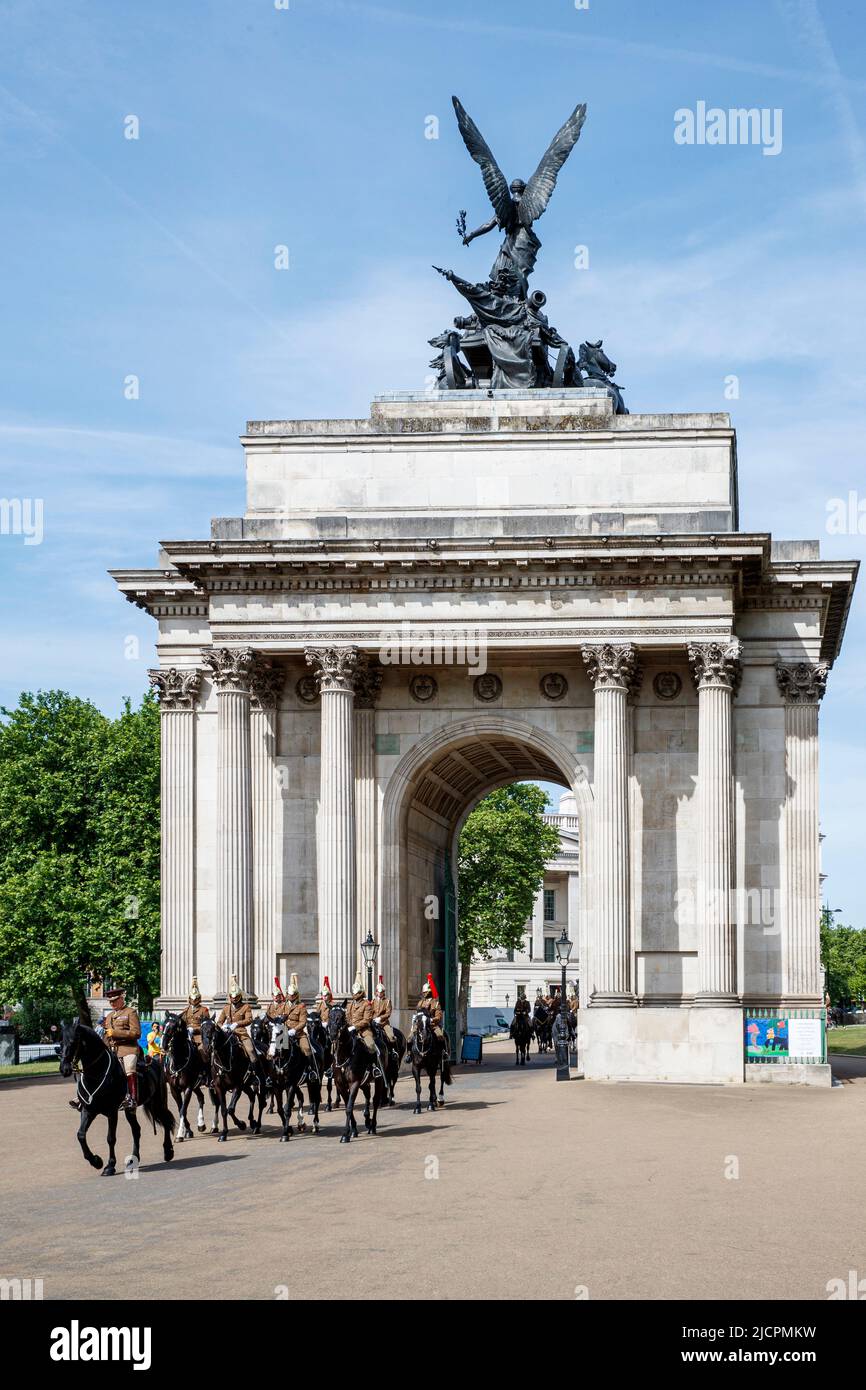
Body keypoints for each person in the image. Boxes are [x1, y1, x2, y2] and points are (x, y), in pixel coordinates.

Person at [103, 986, 141, 1109]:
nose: (112, 1003)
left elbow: (136, 1033)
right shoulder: (109, 1016)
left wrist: (115, 1033)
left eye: (114, 1000)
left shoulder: (130, 1012)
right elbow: (106, 1036)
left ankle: (132, 1099)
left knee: (129, 1068)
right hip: (112, 1050)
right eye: (110, 1001)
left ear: (121, 999)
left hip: (128, 1048)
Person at [216, 976, 259, 1074]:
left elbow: (249, 1020)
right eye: (232, 997)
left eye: (236, 997)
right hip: (227, 1034)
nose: (234, 999)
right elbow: (219, 1022)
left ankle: (254, 1072)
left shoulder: (246, 1007)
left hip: (241, 1034)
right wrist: (222, 1026)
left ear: (240, 996)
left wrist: (236, 1024)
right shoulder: (226, 1008)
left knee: (250, 1050)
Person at [180, 977, 210, 1071]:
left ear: (199, 998)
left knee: (203, 1052)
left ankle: (206, 1072)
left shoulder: (204, 1010)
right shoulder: (185, 1010)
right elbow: (182, 1023)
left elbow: (207, 1026)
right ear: (189, 999)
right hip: (187, 1036)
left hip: (199, 1037)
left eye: (196, 998)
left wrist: (195, 1029)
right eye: (192, 998)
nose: (194, 1000)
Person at [345, 973, 377, 1058]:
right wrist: (349, 1025)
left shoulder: (367, 1004)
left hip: (363, 1030)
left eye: (357, 993)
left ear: (361, 993)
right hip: (350, 1029)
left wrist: (355, 1027)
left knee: (371, 1045)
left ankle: (375, 1064)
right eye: (354, 993)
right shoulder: (349, 1005)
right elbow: (347, 1017)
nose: (355, 995)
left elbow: (366, 1020)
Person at [284, 974, 313, 1062]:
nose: (291, 997)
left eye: (293, 995)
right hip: (284, 1033)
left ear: (296, 995)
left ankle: (310, 1068)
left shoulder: (301, 1006)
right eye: (289, 995)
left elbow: (303, 1022)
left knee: (306, 1048)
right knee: (274, 1050)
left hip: (298, 1034)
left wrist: (294, 1030)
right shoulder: (283, 1005)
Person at [372, 976, 396, 1044]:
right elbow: (370, 1011)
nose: (379, 993)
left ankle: (393, 1049)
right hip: (373, 1022)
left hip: (383, 1023)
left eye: (381, 992)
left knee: (391, 1037)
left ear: (383, 992)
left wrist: (380, 1018)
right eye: (378, 992)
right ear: (376, 992)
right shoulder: (373, 1001)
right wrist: (372, 1018)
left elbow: (388, 1013)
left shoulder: (387, 1001)